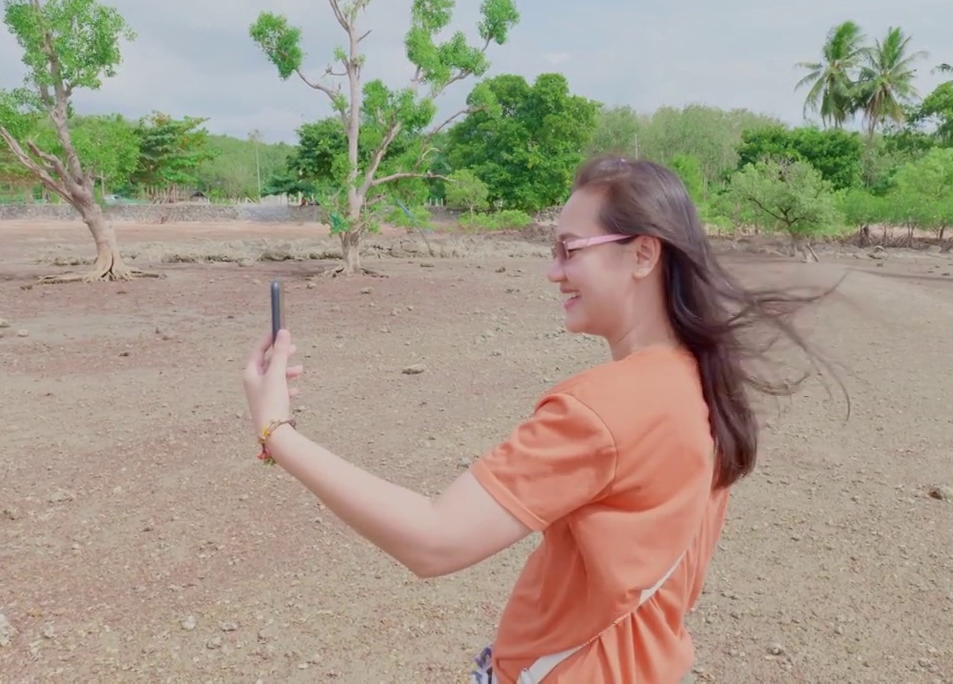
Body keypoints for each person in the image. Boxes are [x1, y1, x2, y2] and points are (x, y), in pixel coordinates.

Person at [242, 154, 829, 682]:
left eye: (569, 250)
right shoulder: (698, 380)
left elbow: (434, 541)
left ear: (643, 253)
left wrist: (278, 430)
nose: (554, 272)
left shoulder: (606, 407)